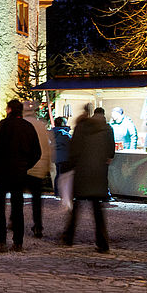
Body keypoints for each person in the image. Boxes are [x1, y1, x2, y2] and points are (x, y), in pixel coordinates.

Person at [0, 99, 41, 252]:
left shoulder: (2, 125)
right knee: (17, 207)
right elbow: (37, 152)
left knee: (0, 208)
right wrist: (25, 165)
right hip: (19, 172)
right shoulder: (27, 127)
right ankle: (18, 241)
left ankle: (1, 241)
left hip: (2, 171)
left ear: (9, 109)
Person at [60, 108, 115, 252]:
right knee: (97, 210)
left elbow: (74, 152)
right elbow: (111, 152)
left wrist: (69, 168)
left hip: (82, 173)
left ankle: (68, 237)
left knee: (76, 207)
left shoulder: (81, 129)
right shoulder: (106, 129)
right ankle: (102, 243)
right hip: (98, 173)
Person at [23, 100, 54, 238]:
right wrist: (47, 165)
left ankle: (14, 220)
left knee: (17, 196)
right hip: (39, 166)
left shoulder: (22, 124)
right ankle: (38, 226)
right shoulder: (41, 125)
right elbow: (47, 148)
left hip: (24, 166)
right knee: (36, 199)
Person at [51, 117, 72, 199]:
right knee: (64, 176)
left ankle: (57, 193)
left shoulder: (52, 133)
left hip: (56, 157)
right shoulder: (64, 133)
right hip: (65, 157)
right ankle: (63, 193)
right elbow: (70, 144)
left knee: (58, 175)